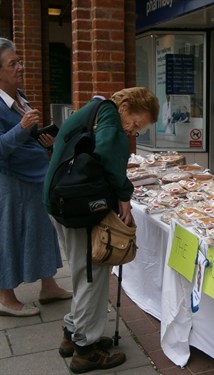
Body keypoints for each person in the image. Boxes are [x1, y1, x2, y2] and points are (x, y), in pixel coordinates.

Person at [43, 87, 159, 373]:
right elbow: (107, 152)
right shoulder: (108, 115)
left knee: (85, 273)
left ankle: (73, 334)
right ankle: (86, 350)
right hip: (75, 206)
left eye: (139, 128)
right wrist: (123, 195)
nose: (133, 130)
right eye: (135, 123)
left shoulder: (99, 111)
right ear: (125, 106)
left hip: (63, 200)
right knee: (91, 277)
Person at [0, 38, 72, 317]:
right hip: (11, 181)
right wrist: (22, 127)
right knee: (9, 235)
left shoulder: (20, 96)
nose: (20, 67)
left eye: (20, 61)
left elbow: (27, 138)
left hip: (34, 176)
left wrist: (41, 138)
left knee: (42, 230)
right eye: (13, 63)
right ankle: (5, 297)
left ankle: (49, 286)